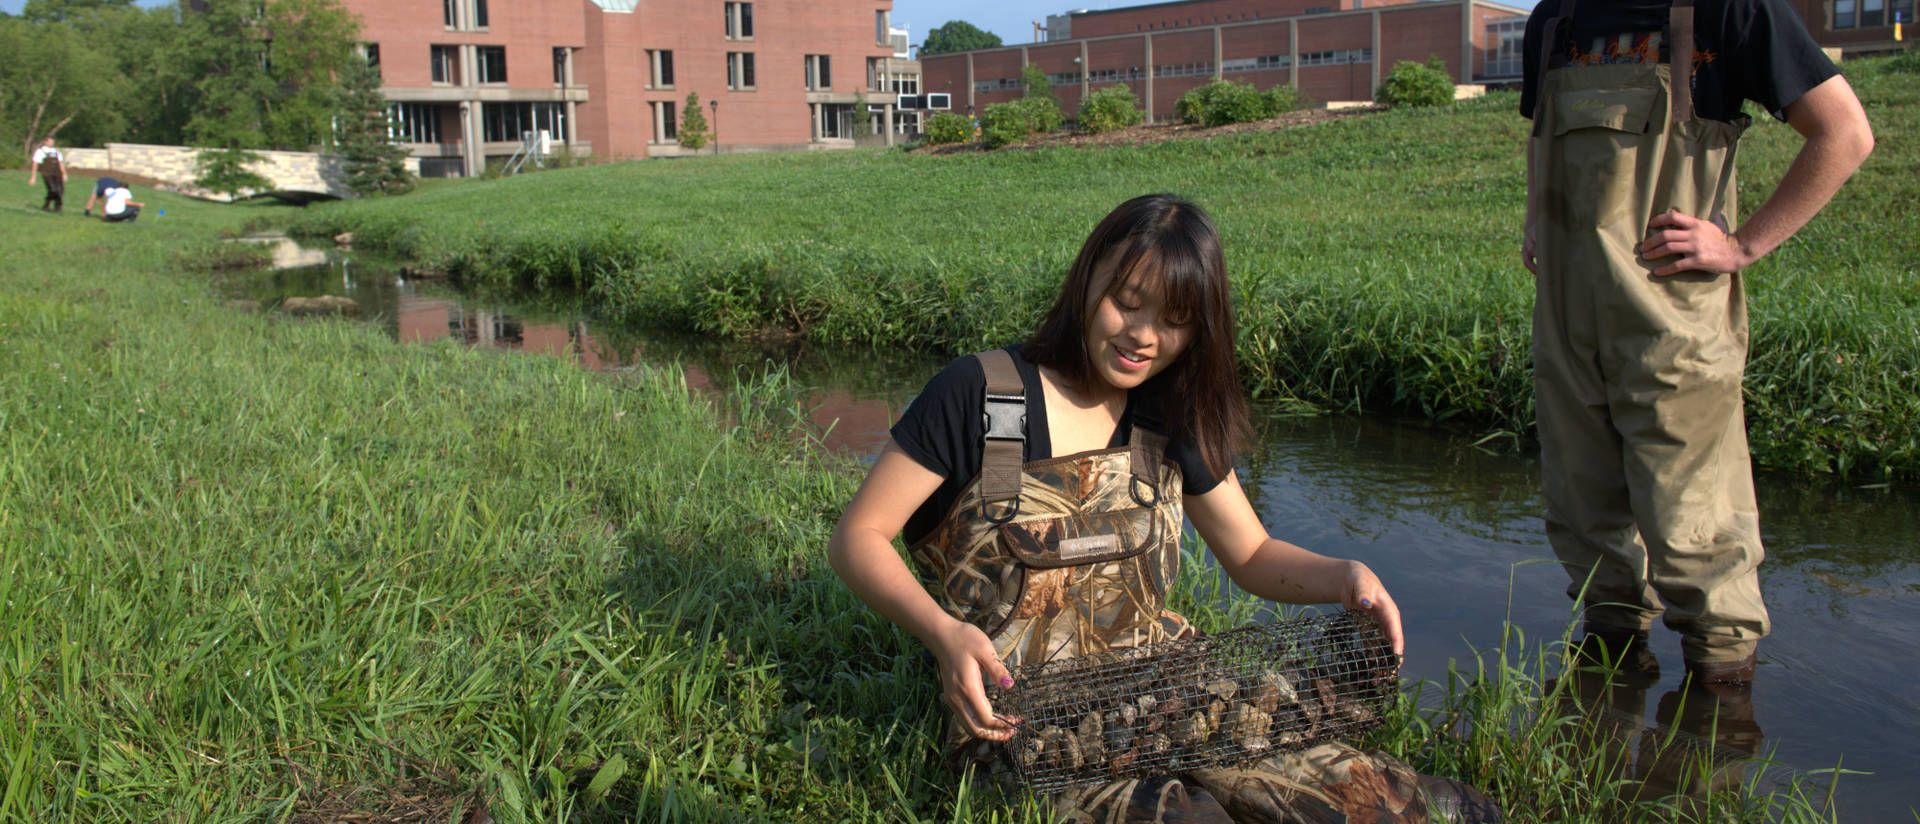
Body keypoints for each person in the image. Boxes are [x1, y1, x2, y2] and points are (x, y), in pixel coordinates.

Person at [829, 194, 1500, 823]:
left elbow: (1254, 554)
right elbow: (860, 536)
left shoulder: (1167, 412)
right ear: (1089, 282)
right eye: (1128, 302)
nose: (1145, 337)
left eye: (1176, 321)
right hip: (1025, 726)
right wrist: (943, 637)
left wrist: (1346, 575)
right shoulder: (977, 393)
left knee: (1386, 806)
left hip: (1174, 691)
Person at [1519, 0, 1873, 685]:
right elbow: (1540, 133)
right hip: (1565, 316)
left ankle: (1718, 725)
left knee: (1695, 534)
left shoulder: (1729, 10)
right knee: (1583, 517)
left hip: (1673, 323)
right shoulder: (1553, 17)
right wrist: (1536, 214)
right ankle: (1603, 708)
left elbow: (1844, 134)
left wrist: (1742, 245)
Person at [28, 137, 67, 213]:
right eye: (50, 142)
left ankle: (57, 207)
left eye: (53, 142)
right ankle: (47, 204)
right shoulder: (41, 151)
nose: (52, 143)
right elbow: (35, 163)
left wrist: (64, 174)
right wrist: (33, 177)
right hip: (47, 173)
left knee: (60, 190)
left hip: (57, 173)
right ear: (45, 142)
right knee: (53, 190)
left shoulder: (56, 152)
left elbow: (60, 163)